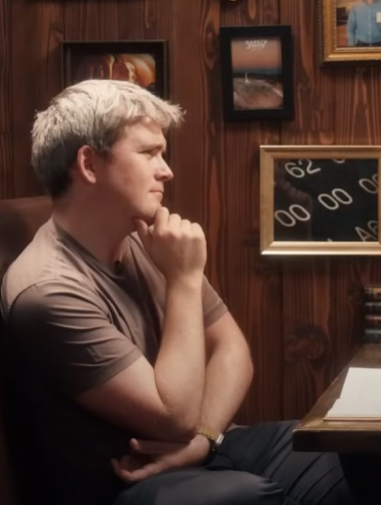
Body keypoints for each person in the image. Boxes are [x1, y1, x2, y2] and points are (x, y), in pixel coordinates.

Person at [0, 79, 352, 505]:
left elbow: (232, 350)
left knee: (337, 453)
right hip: (124, 482)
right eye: (149, 153)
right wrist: (184, 280)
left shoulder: (146, 240)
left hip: (199, 449)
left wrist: (203, 440)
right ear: (89, 164)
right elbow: (173, 418)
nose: (166, 171)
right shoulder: (48, 290)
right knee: (242, 496)